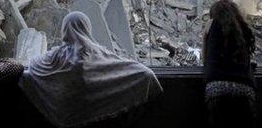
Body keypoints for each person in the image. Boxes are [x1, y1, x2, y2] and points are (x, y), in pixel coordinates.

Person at [19, 11, 163, 128]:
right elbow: (126, 67)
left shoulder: (55, 56)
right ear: (87, 28)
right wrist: (146, 75)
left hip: (65, 113)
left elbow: (34, 68)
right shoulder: (99, 52)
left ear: (65, 29)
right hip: (97, 119)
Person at [203, 0, 256, 128]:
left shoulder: (211, 24)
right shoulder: (243, 28)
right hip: (244, 89)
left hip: (217, 89)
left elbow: (205, 59)